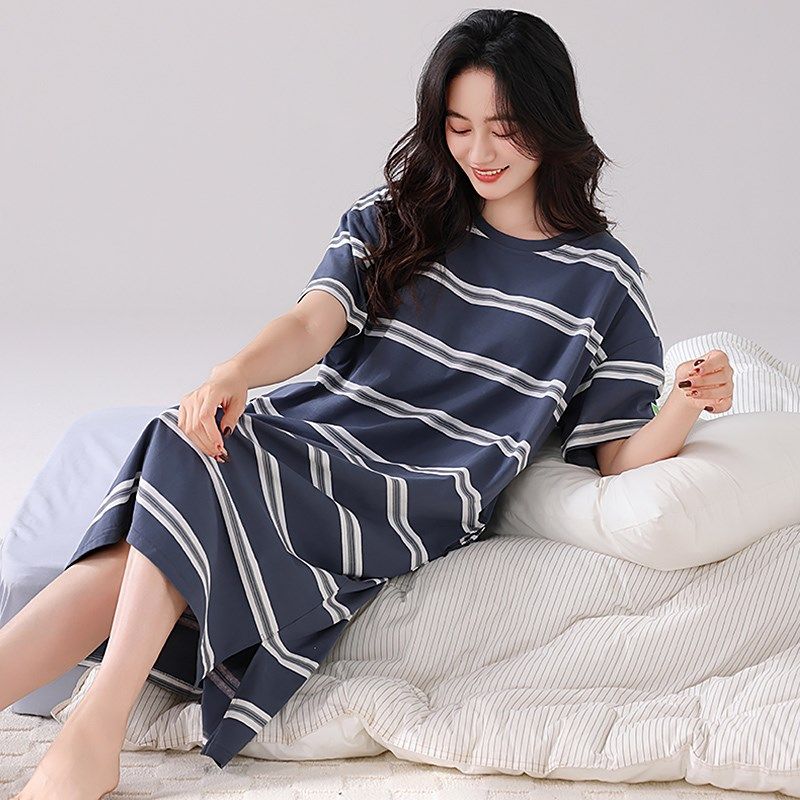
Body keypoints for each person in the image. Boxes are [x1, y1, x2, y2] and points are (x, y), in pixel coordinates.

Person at [5, 8, 734, 798]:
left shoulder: (602, 280)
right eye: (458, 127)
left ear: (551, 122)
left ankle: (95, 728)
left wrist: (685, 404)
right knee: (182, 452)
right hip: (314, 438)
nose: (479, 153)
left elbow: (617, 455)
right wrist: (236, 371)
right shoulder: (398, 216)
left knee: (181, 476)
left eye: (505, 128)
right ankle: (92, 735)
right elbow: (311, 324)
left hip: (409, 494)